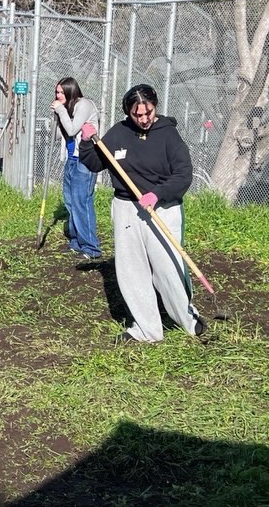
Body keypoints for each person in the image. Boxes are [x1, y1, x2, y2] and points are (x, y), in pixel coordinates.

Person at [78, 84, 206, 343]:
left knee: (168, 266)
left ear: (155, 107)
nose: (144, 119)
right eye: (138, 114)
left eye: (148, 113)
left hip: (162, 208)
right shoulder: (119, 133)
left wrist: (158, 193)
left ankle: (188, 321)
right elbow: (94, 163)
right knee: (131, 269)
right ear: (129, 112)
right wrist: (85, 142)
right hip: (126, 209)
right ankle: (147, 330)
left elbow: (183, 174)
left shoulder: (168, 135)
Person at [52, 76, 101, 259]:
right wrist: (58, 115)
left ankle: (91, 247)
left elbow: (72, 130)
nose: (58, 96)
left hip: (85, 161)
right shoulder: (66, 108)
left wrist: (62, 111)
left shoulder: (84, 105)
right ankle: (76, 242)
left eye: (61, 92)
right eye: (56, 92)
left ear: (71, 91)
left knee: (82, 202)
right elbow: (59, 135)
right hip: (71, 160)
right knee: (70, 202)